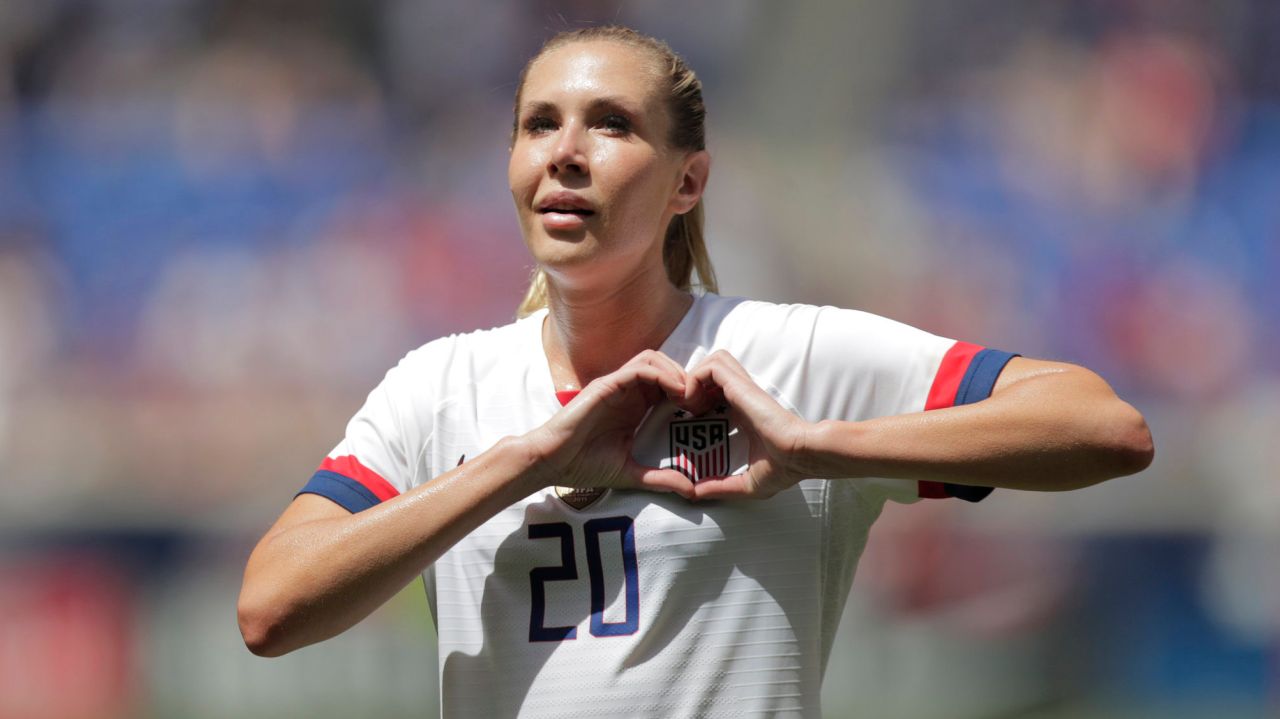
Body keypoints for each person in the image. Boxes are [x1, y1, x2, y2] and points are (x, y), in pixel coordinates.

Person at [237, 26, 1154, 718]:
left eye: (611, 124)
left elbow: (1105, 427)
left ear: (688, 181)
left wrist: (818, 447)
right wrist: (524, 464)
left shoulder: (786, 357)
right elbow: (270, 609)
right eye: (538, 124)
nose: (565, 150)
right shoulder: (439, 387)